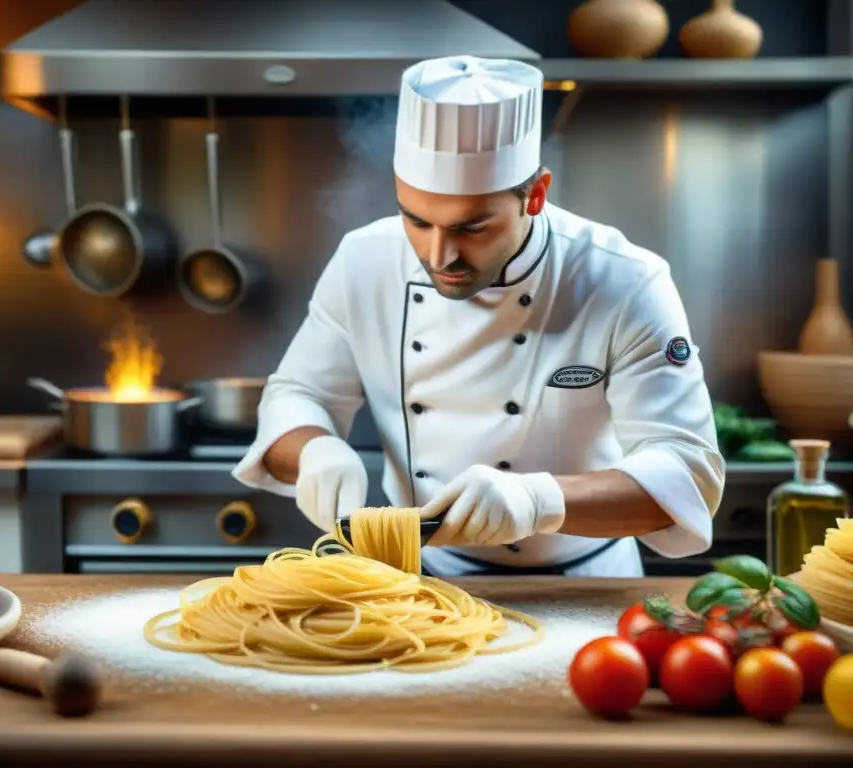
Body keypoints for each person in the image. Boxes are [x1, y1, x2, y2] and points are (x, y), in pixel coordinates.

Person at [232, 55, 724, 578]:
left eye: (472, 228)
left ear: (535, 195)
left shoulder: (625, 280)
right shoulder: (364, 260)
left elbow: (686, 473)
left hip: (585, 585)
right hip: (418, 581)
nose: (439, 256)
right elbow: (297, 395)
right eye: (417, 221)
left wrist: (539, 500)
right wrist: (315, 452)